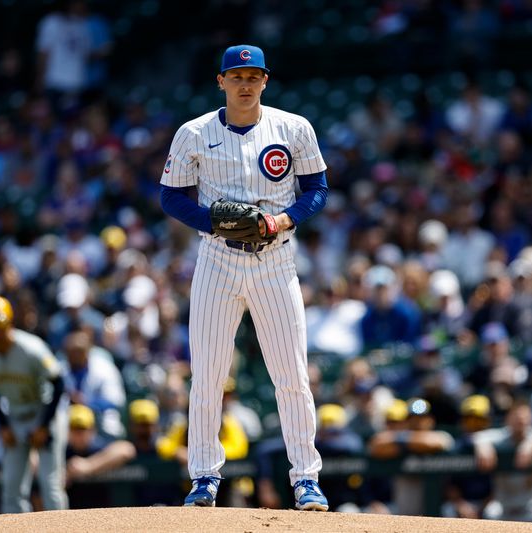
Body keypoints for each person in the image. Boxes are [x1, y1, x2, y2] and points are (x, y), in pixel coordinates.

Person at [159, 44, 329, 511]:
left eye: (254, 76)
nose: (246, 83)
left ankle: (306, 479)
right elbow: (170, 197)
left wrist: (283, 221)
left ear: (265, 81)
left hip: (276, 259)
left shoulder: (293, 128)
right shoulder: (193, 133)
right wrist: (212, 222)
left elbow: (317, 190)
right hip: (217, 257)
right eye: (237, 76)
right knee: (208, 375)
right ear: (221, 81)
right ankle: (205, 477)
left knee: (292, 375)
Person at [0, 295, 69, 513]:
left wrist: (44, 426)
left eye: (1, 326)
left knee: (50, 484)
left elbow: (59, 383)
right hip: (16, 416)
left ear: (10, 323)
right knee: (10, 487)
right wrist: (3, 425)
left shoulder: (31, 347)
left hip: (44, 411)